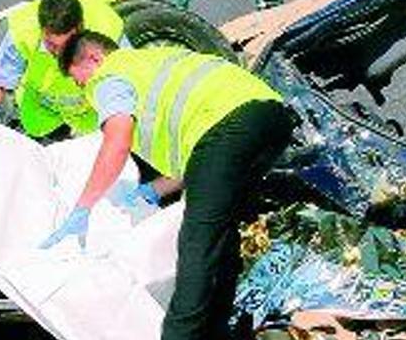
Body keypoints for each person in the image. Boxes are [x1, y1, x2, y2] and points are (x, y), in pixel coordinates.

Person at [42, 31, 294, 340]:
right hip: (271, 117)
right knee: (220, 239)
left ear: (95, 58)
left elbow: (117, 141)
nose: (84, 90)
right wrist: (153, 190)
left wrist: (83, 207)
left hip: (226, 129)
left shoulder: (109, 76)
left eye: (79, 80)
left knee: (196, 243)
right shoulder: (155, 60)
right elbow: (202, 165)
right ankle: (217, 330)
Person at [0, 0, 124, 140]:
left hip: (90, 120)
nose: (58, 53)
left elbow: (125, 83)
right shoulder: (23, 32)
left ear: (80, 28)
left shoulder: (107, 30)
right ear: (42, 29)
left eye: (66, 45)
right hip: (42, 117)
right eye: (51, 44)